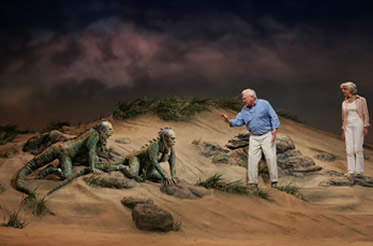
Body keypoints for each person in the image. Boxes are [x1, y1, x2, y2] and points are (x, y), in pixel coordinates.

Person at [15, 120, 113, 195]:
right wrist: (93, 168)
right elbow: (91, 152)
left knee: (95, 158)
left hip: (61, 147)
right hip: (64, 153)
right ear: (102, 131)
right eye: (109, 131)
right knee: (66, 175)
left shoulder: (92, 132)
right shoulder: (94, 136)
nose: (110, 134)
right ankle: (49, 170)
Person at [220, 89, 280, 189]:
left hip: (267, 135)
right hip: (254, 137)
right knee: (252, 160)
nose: (243, 101)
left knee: (271, 157)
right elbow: (238, 121)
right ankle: (253, 183)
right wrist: (228, 121)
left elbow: (273, 116)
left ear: (252, 97)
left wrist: (274, 129)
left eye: (244, 99)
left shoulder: (264, 104)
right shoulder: (244, 110)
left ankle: (274, 182)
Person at [340, 81, 370, 177]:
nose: (343, 91)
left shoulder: (361, 100)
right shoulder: (344, 102)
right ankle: (351, 171)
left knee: (357, 148)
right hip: (348, 125)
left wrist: (365, 126)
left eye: (345, 89)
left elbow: (365, 113)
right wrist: (344, 130)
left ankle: (359, 171)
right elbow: (344, 117)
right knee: (349, 148)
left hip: (358, 124)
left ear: (351, 90)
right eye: (343, 89)